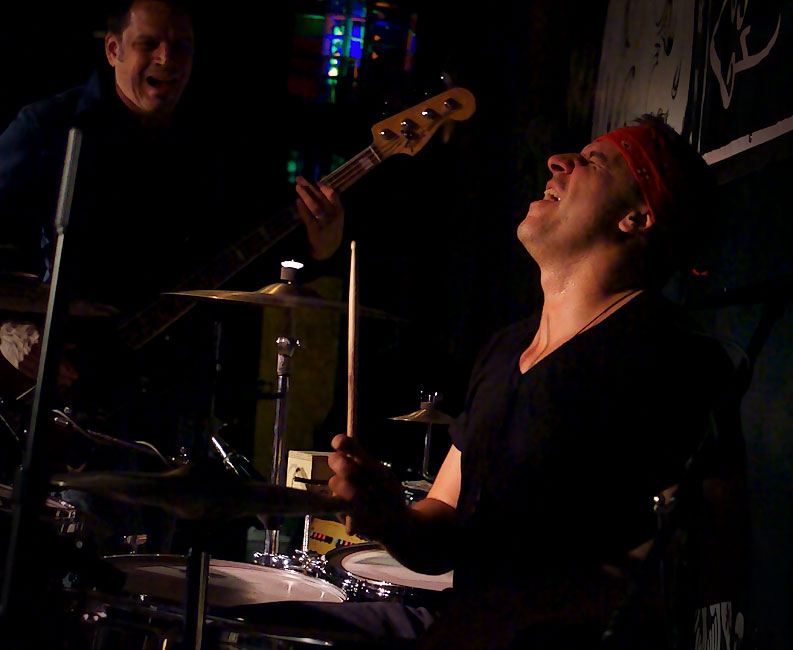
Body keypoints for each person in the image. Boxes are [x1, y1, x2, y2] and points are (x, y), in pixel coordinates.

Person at [223, 114, 748, 649]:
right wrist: (389, 517)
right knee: (247, 628)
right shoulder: (505, 350)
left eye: (592, 161)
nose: (558, 162)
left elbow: (711, 561)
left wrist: (526, 608)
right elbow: (443, 522)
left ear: (637, 217)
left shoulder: (676, 357)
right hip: (464, 628)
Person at [0, 0, 344, 551]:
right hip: (65, 401)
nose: (167, 59)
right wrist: (8, 327)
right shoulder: (50, 128)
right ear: (113, 49)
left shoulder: (214, 143)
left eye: (181, 47)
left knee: (154, 576)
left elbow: (259, 255)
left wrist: (321, 241)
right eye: (149, 44)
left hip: (174, 405)